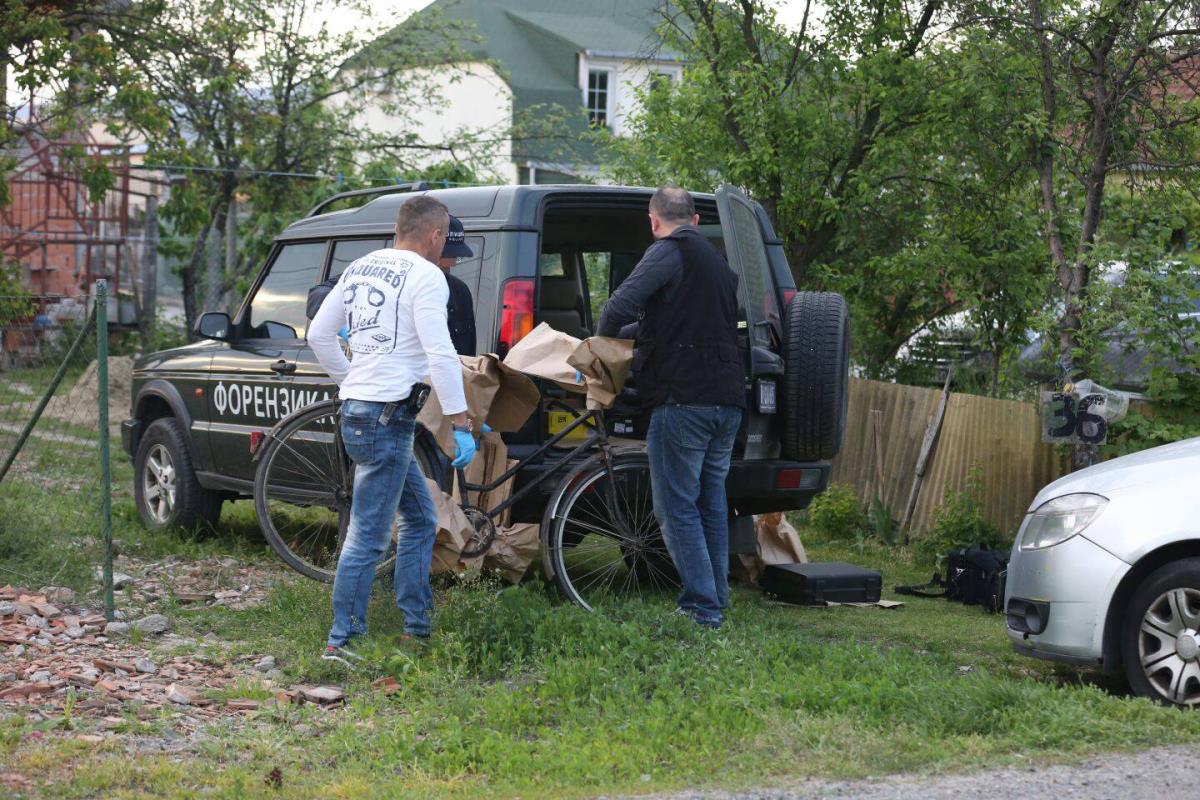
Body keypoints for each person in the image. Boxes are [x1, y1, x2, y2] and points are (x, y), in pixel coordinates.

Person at [308, 195, 478, 665]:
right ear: (435, 235)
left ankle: (417, 627)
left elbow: (319, 336)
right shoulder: (428, 277)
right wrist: (461, 421)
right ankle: (342, 642)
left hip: (365, 411)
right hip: (388, 416)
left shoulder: (359, 267)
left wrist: (351, 382)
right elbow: (441, 353)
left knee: (422, 520)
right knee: (368, 535)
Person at [596, 186, 745, 628]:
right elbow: (681, 317)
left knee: (676, 506)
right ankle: (716, 597)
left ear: (654, 221)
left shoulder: (667, 250)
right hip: (728, 401)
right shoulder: (719, 264)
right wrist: (638, 330)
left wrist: (604, 349)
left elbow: (617, 305)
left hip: (684, 400)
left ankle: (701, 608)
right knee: (709, 502)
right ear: (696, 220)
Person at [438, 215, 476, 357]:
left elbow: (468, 347)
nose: (454, 263)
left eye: (457, 257)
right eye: (451, 256)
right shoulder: (408, 286)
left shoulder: (460, 290)